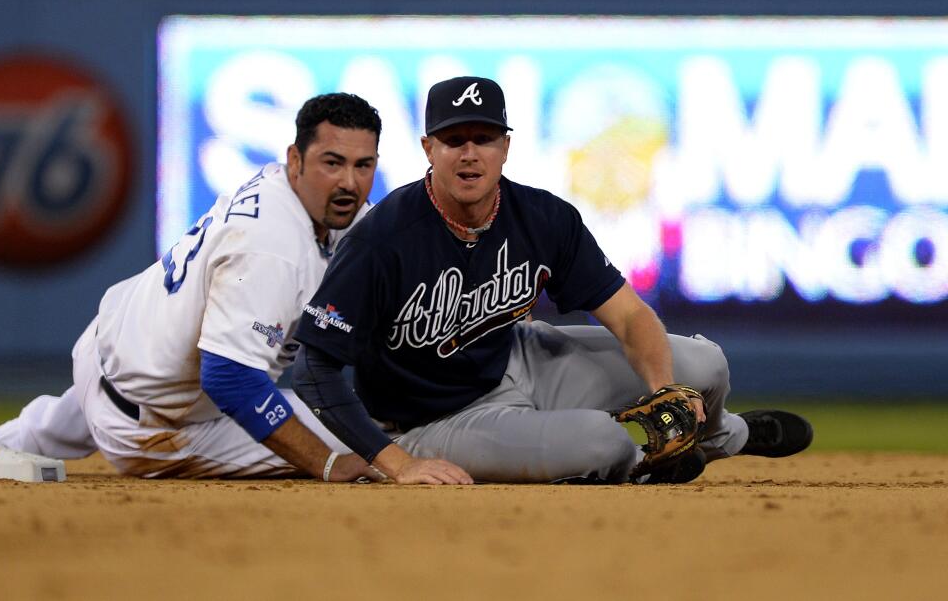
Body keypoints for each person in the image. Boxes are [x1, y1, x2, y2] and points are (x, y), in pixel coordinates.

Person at [291, 76, 813, 485]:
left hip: (520, 358)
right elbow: (315, 368)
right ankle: (640, 462)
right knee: (601, 444)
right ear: (428, 148)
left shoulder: (543, 217)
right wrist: (397, 462)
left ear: (506, 146)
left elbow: (629, 316)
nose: (469, 152)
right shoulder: (381, 240)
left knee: (703, 363)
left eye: (484, 137)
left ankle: (723, 436)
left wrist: (664, 389)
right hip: (434, 420)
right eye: (454, 139)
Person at [0, 93, 386, 481]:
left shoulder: (293, 192)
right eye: (332, 163)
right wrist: (327, 463)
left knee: (122, 387)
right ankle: (54, 430)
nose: (349, 182)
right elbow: (230, 378)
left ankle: (10, 442)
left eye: (363, 166)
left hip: (106, 353)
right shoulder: (272, 248)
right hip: (152, 433)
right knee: (377, 430)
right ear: (294, 160)